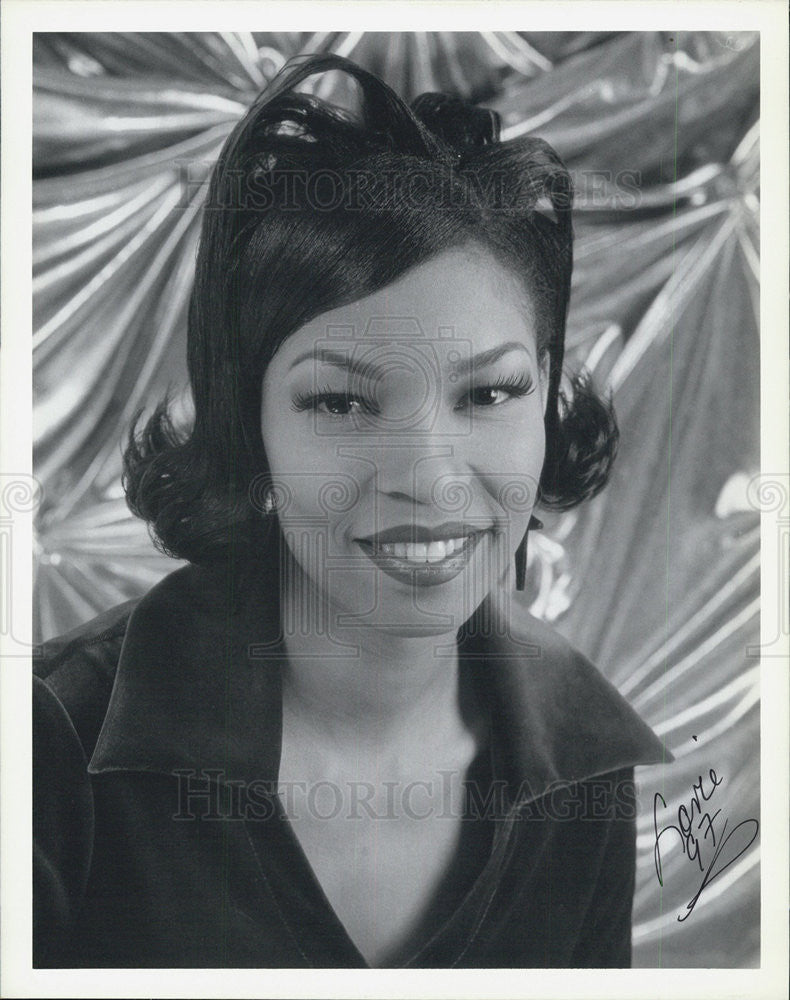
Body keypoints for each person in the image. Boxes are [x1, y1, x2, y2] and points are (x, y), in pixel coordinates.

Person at [33, 53, 670, 969]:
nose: (431, 479)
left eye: (488, 393)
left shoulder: (583, 762)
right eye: (341, 403)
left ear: (547, 407)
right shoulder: (52, 744)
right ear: (247, 427)